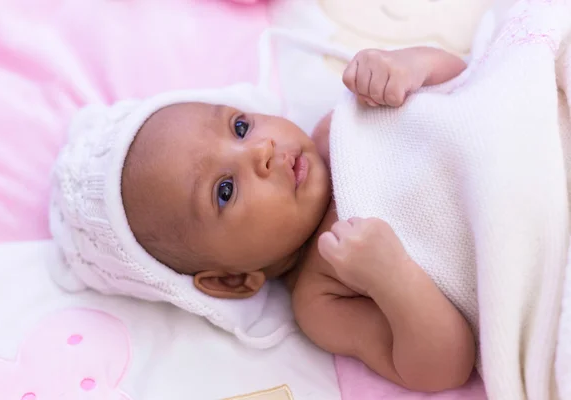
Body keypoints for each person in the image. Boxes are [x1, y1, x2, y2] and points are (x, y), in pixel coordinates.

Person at [52, 46, 475, 392]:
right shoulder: (322, 299)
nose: (260, 151)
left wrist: (410, 66)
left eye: (239, 127)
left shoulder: (340, 124)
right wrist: (393, 277)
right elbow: (441, 368)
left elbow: (468, 84)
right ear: (230, 280)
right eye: (225, 190)